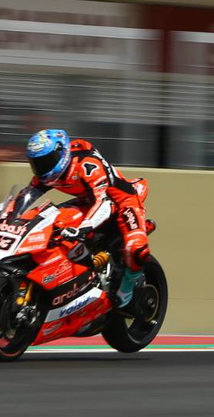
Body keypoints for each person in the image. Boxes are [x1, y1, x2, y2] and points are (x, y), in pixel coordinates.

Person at [25, 129, 152, 305]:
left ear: (61, 152)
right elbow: (25, 196)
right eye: (37, 163)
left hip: (121, 201)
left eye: (47, 160)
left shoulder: (86, 164)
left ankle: (128, 288)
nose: (42, 167)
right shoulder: (46, 175)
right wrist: (7, 216)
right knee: (50, 222)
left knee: (137, 249)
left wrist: (84, 227)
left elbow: (104, 201)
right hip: (88, 201)